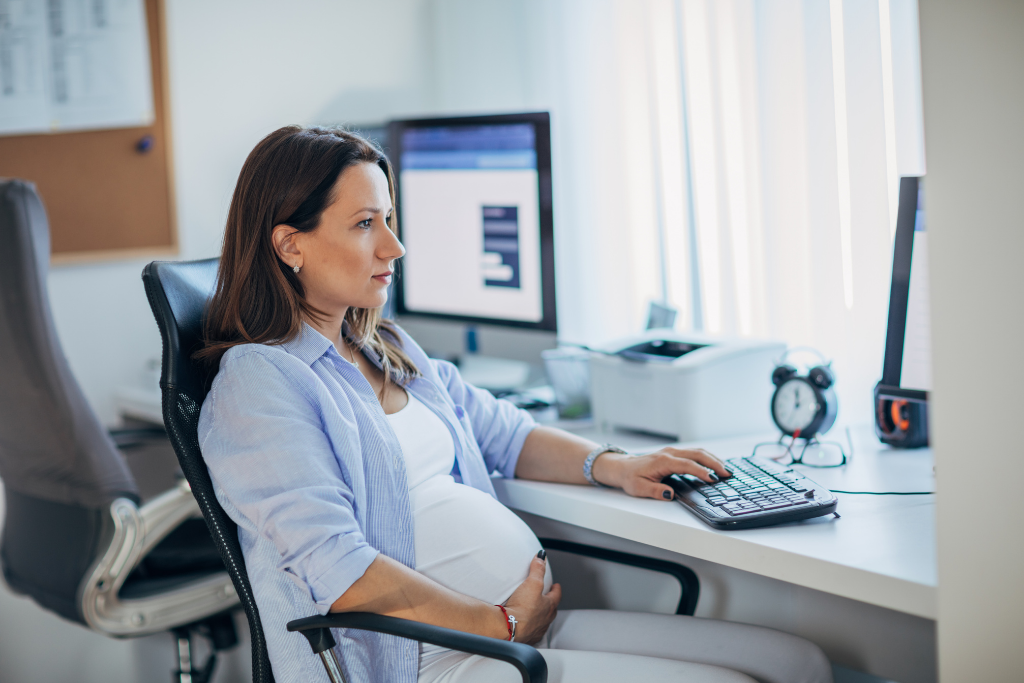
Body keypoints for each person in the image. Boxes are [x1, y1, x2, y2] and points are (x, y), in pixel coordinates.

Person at [197, 126, 833, 683]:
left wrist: (615, 464)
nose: (394, 246)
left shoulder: (382, 344)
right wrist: (497, 622)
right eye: (366, 224)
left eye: (389, 219)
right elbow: (335, 568)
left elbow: (503, 432)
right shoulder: (262, 383)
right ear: (290, 245)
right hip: (428, 659)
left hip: (514, 636)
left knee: (799, 665)